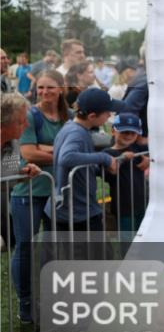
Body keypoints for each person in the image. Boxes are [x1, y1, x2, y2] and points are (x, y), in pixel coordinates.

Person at [13, 70, 68, 322]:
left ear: (61, 88)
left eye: (50, 88)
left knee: (54, 247)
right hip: (29, 193)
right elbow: (29, 153)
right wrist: (63, 154)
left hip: (57, 193)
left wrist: (47, 148)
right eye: (41, 88)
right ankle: (25, 302)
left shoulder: (67, 115)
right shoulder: (31, 115)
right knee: (25, 247)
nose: (44, 92)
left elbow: (83, 141)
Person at [46, 88, 126, 233]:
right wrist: (104, 158)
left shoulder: (73, 128)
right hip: (78, 212)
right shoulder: (76, 133)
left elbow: (77, 163)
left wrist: (98, 168)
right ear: (92, 116)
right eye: (107, 112)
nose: (109, 115)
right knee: (97, 254)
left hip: (73, 208)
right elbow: (67, 157)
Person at [2, 94, 43, 256]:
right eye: (20, 121)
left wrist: (23, 174)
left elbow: (5, 179)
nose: (26, 125)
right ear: (3, 124)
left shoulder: (12, 144)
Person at [103, 113, 149, 234]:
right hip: (123, 208)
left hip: (142, 204)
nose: (128, 136)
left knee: (143, 237)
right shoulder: (107, 153)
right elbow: (110, 172)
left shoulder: (137, 150)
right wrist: (122, 158)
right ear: (113, 131)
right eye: (124, 132)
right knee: (127, 242)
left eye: (132, 133)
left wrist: (148, 160)